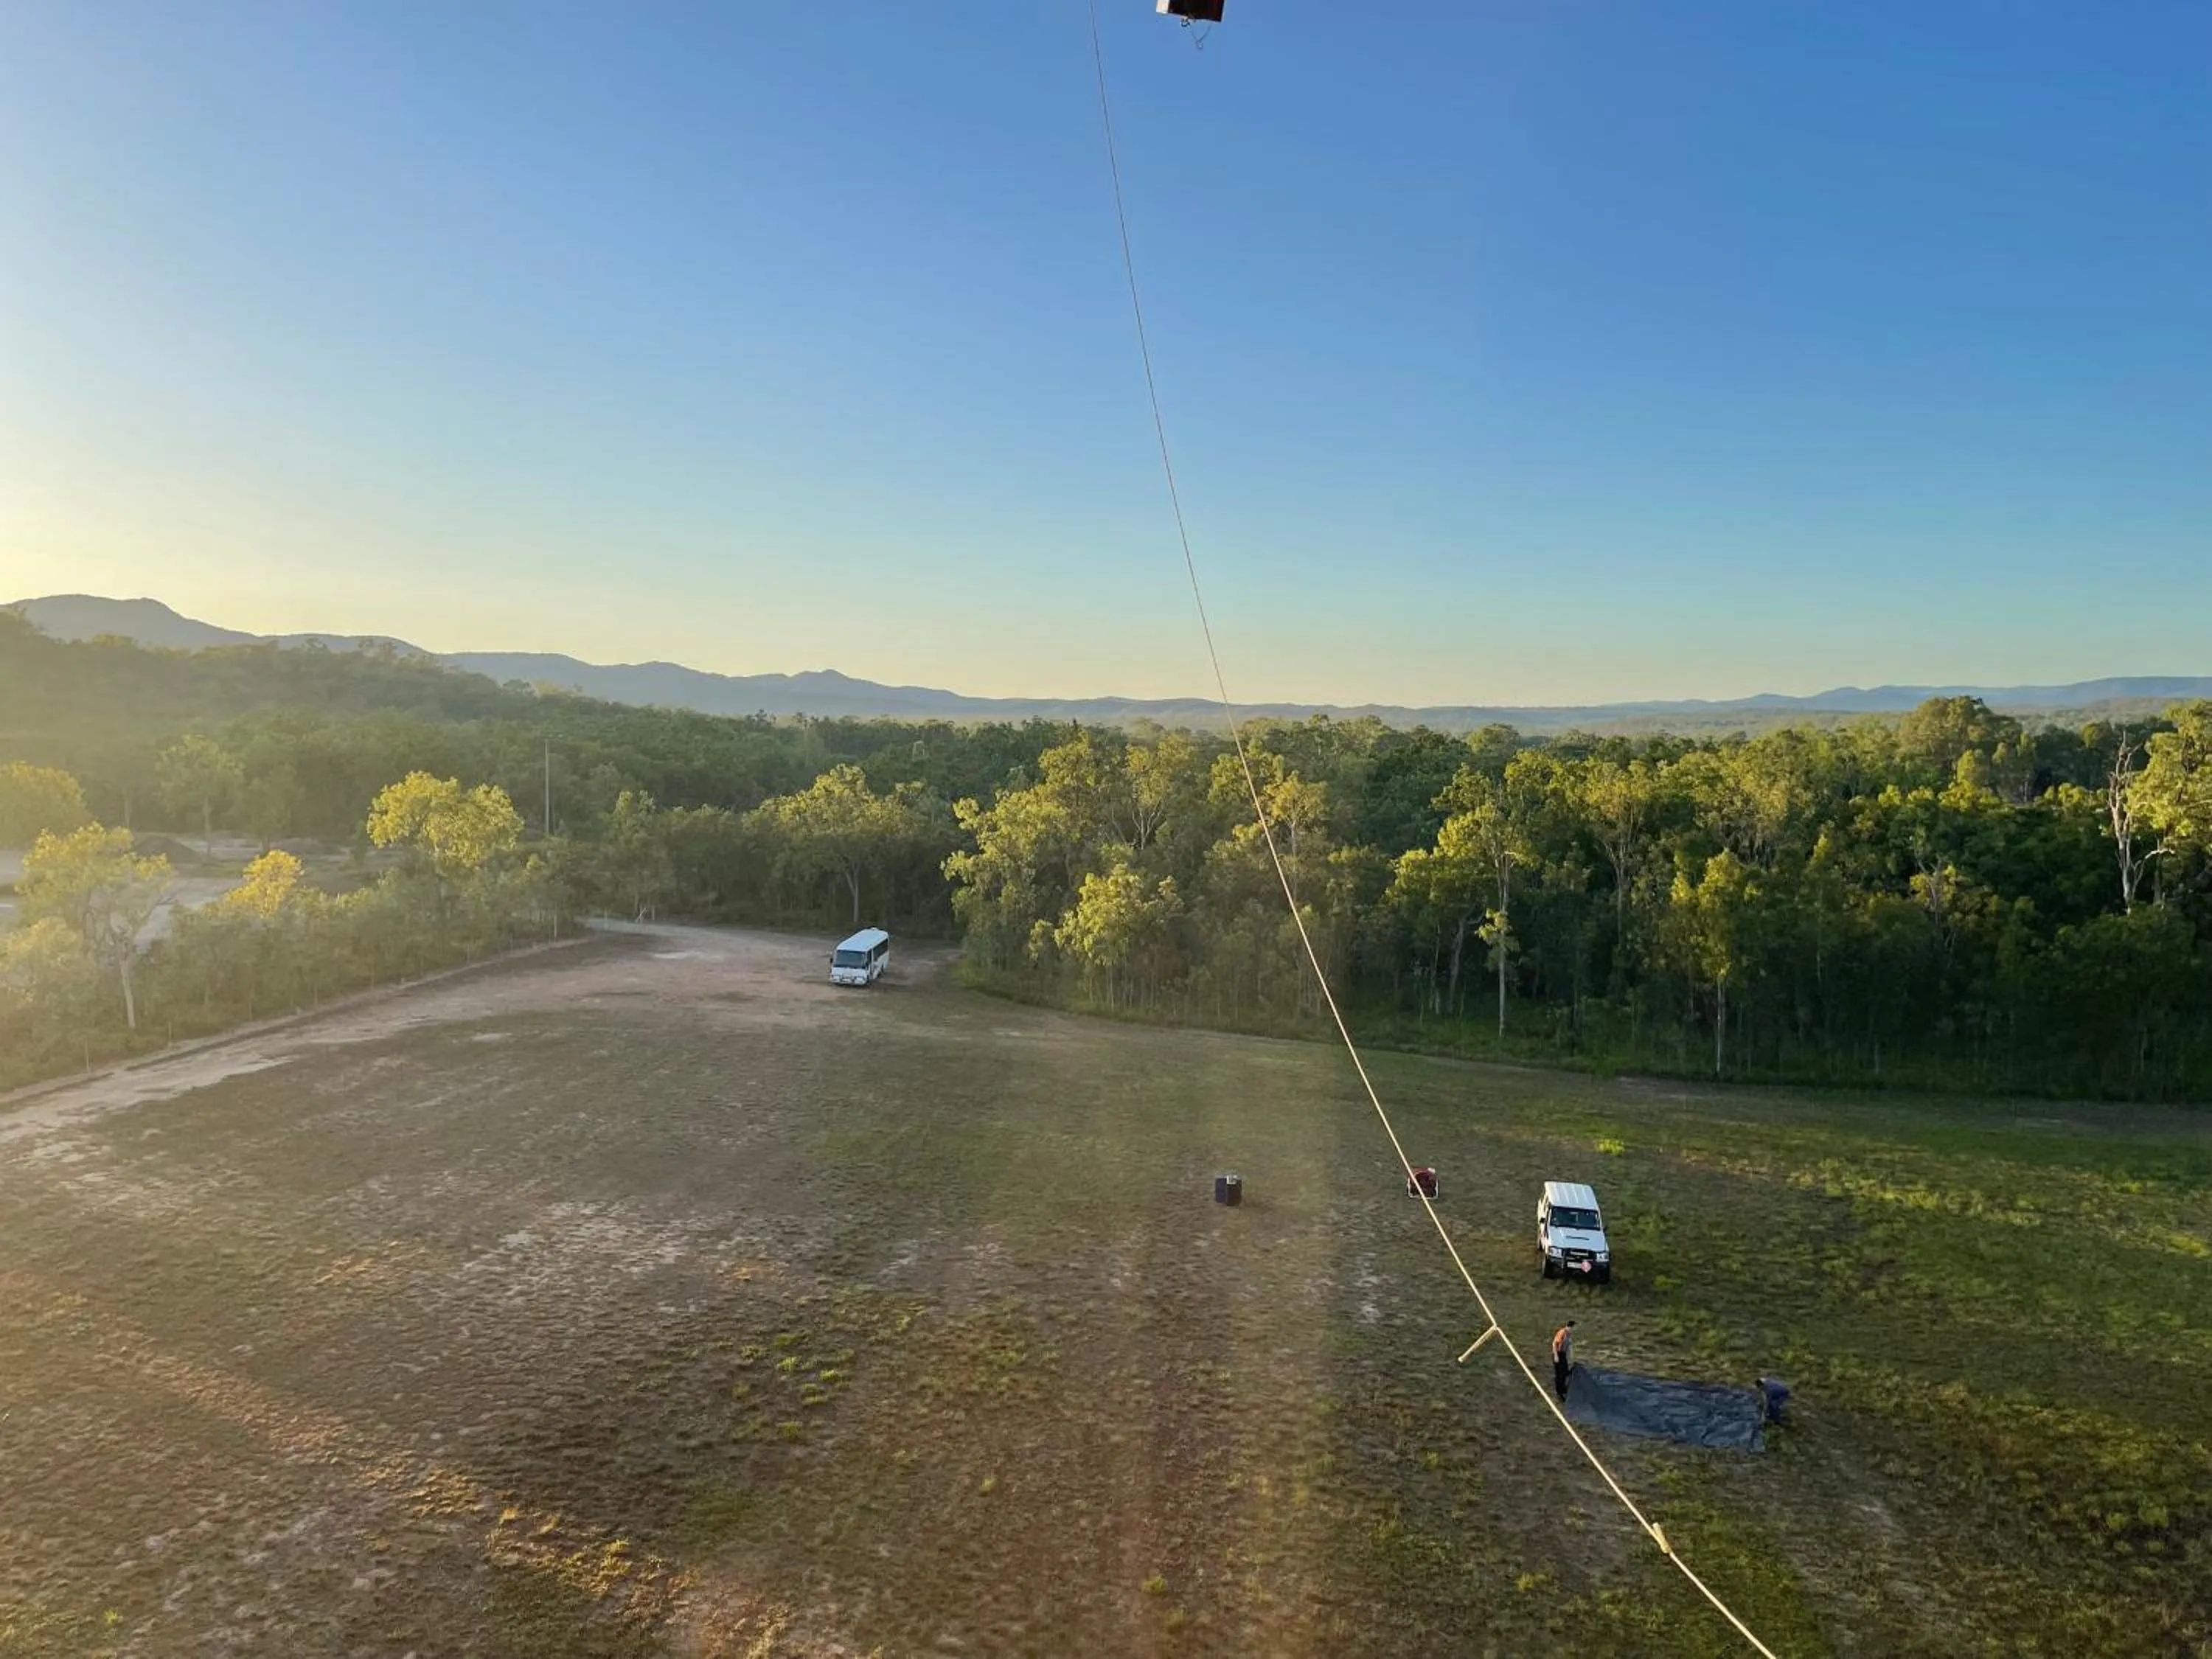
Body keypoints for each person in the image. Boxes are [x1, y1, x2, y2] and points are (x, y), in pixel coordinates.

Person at [1551, 1321, 1576, 1401]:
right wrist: (1556, 1356)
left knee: (1565, 1372)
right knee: (1559, 1374)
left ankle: (1562, 1388)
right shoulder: (1562, 1333)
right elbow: (1555, 1344)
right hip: (1558, 1354)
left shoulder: (1568, 1335)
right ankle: (1559, 1392)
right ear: (1570, 1327)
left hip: (1563, 1354)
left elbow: (1568, 1347)